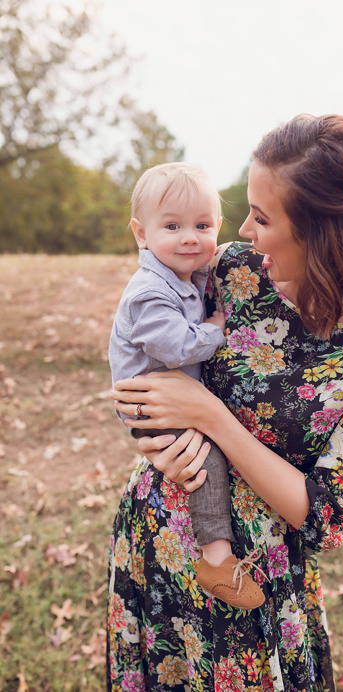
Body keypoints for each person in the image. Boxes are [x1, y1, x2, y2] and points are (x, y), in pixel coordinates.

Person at [105, 114, 343, 690]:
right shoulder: (233, 272)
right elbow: (145, 335)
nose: (245, 233)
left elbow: (325, 513)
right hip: (156, 541)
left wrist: (212, 419)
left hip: (254, 578)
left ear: (319, 232)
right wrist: (155, 442)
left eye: (262, 217)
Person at [109, 162, 264, 611]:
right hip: (151, 403)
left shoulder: (186, 276)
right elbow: (175, 346)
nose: (190, 237)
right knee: (204, 457)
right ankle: (217, 556)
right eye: (172, 226)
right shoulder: (149, 291)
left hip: (168, 395)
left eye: (202, 225)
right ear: (141, 233)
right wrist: (215, 329)